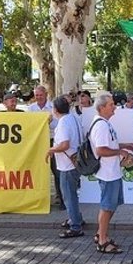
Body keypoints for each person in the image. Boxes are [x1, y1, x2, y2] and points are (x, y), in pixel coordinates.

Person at [90, 92, 133, 253]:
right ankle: (102, 240)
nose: (114, 107)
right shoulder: (101, 125)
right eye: (111, 105)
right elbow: (101, 150)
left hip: (113, 172)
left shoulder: (104, 123)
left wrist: (123, 145)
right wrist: (120, 152)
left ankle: (100, 234)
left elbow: (108, 144)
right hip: (107, 172)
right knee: (107, 206)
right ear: (102, 108)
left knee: (111, 206)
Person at [46, 96, 85, 238]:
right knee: (72, 193)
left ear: (55, 109)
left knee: (69, 195)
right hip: (75, 162)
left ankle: (75, 226)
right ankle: (76, 218)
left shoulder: (62, 123)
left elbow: (64, 145)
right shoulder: (73, 118)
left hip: (67, 165)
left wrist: (51, 150)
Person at [29, 85, 63, 209]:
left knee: (57, 171)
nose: (38, 97)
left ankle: (60, 198)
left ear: (46, 94)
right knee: (37, 171)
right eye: (36, 95)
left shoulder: (53, 107)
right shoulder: (31, 108)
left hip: (52, 141)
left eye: (40, 95)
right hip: (37, 144)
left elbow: (60, 124)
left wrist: (50, 122)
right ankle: (38, 199)